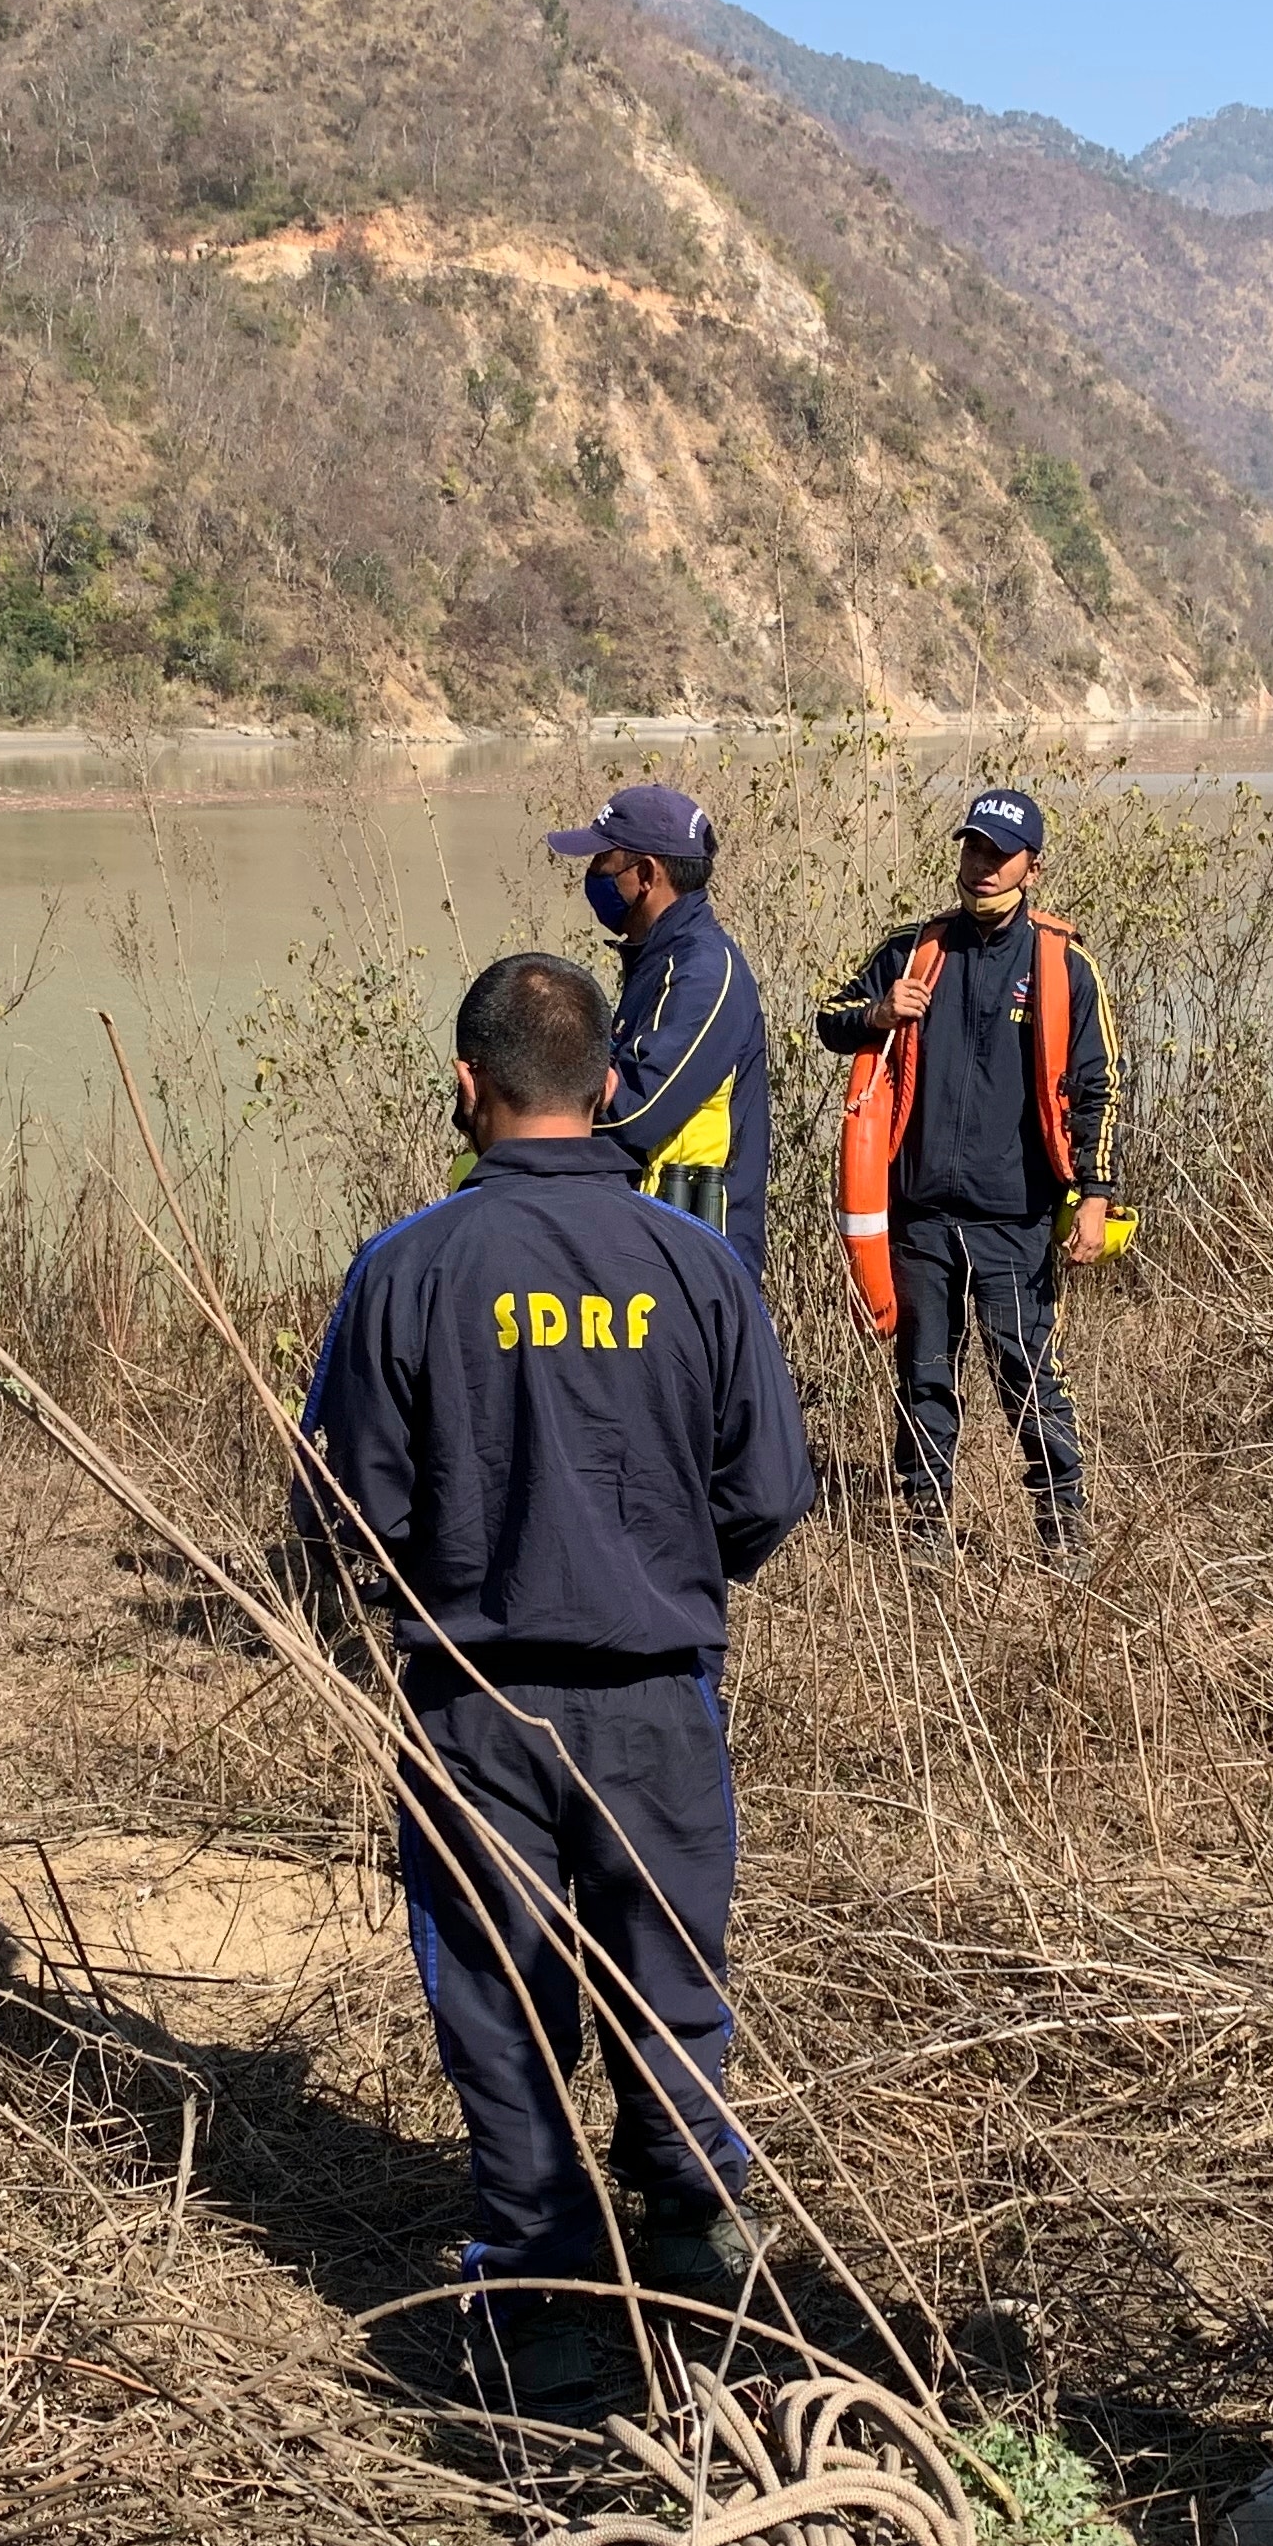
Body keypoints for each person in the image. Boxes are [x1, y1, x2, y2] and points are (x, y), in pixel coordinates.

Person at [294, 952, 816, 2421]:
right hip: (662, 1702)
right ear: (605, 1091)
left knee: (506, 2004)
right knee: (671, 1981)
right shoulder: (696, 1263)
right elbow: (769, 1492)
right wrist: (654, 1574)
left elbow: (339, 1507)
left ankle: (544, 2309)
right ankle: (701, 2263)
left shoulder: (406, 1266)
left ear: (467, 1088)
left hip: (473, 1710)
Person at [815, 788, 1119, 1556]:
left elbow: (1097, 1089)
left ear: (1033, 868)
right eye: (971, 850)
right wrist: (877, 1015)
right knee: (923, 1375)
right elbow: (827, 1017)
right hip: (918, 1211)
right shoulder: (913, 949)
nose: (980, 867)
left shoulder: (1064, 965)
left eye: (998, 854)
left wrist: (1095, 1196)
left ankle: (1063, 1529)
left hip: (1013, 1215)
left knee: (1026, 1373)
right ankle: (927, 1529)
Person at [544, 782, 773, 1275]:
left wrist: (539, 1088)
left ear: (644, 875)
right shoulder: (657, 959)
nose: (590, 876)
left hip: (696, 1260)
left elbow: (634, 1114)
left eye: (602, 861)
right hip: (649, 1240)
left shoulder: (703, 973)